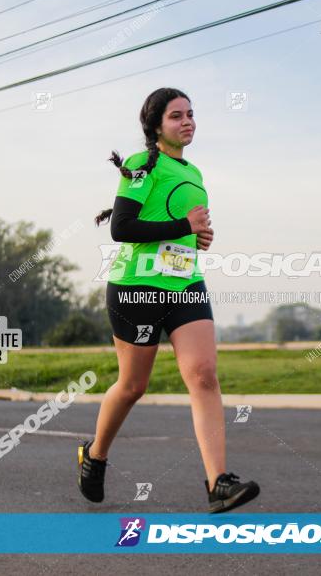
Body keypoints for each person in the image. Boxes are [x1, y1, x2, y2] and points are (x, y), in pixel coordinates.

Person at [79, 87, 260, 513]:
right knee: (132, 386)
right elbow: (121, 228)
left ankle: (218, 482)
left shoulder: (195, 173)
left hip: (184, 285)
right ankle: (95, 455)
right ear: (156, 125)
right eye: (177, 116)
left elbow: (180, 228)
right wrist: (182, 223)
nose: (188, 121)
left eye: (191, 114)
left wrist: (196, 236)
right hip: (137, 288)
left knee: (203, 374)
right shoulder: (142, 166)